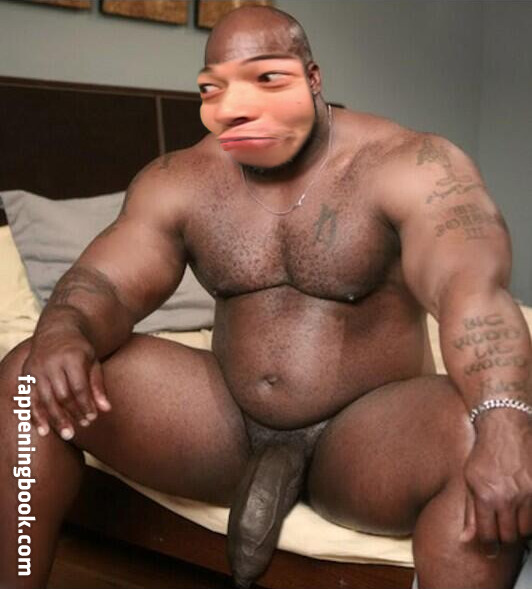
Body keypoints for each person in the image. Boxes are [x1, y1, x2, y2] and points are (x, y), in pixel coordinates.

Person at [1, 5, 531, 588]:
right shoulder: (184, 179)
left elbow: (470, 291)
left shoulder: (410, 165)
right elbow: (104, 284)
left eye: (267, 79)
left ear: (313, 78)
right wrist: (64, 330)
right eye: (215, 88)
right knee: (30, 376)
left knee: (483, 435)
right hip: (224, 424)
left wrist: (505, 421)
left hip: (366, 436)